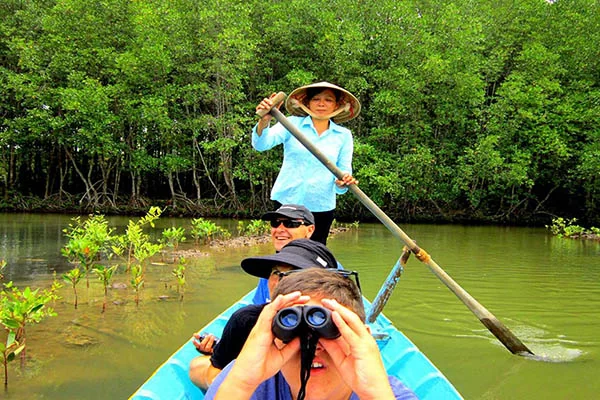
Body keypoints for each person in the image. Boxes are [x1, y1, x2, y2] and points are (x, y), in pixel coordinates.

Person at [204, 268, 418, 400]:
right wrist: (241, 384)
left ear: (365, 341)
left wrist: (373, 396)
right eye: (294, 329)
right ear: (273, 337)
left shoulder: (389, 394)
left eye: (333, 328)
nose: (312, 344)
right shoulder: (246, 379)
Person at [189, 239, 339, 390]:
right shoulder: (247, 320)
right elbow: (215, 370)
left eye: (296, 274)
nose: (281, 281)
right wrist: (234, 387)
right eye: (276, 272)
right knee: (196, 367)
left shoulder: (340, 324)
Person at [191, 203, 315, 352]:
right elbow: (259, 313)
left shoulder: (322, 269)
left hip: (299, 347)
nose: (280, 229)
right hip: (268, 342)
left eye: (290, 223)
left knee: (199, 367)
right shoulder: (270, 268)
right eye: (275, 223)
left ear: (309, 230)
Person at [253, 82, 360, 245]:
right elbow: (261, 145)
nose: (321, 103)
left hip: (321, 206)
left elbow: (342, 181)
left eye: (328, 100)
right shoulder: (291, 124)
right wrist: (264, 121)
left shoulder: (343, 135)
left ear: (337, 105)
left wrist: (343, 182)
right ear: (307, 103)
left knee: (315, 253)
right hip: (287, 200)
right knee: (286, 252)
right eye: (316, 99)